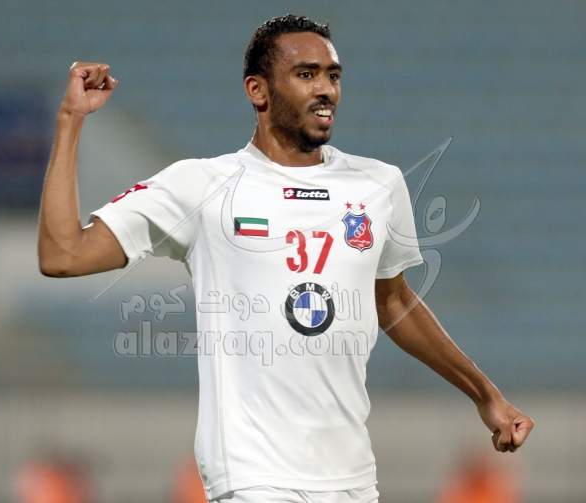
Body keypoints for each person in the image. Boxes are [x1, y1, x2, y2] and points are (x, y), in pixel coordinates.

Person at [38, 14, 534, 503]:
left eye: (332, 75)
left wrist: (485, 395)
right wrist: (70, 120)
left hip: (351, 479)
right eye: (306, 74)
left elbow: (393, 302)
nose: (326, 90)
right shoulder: (203, 186)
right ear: (258, 91)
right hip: (253, 477)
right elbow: (62, 254)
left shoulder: (378, 185)